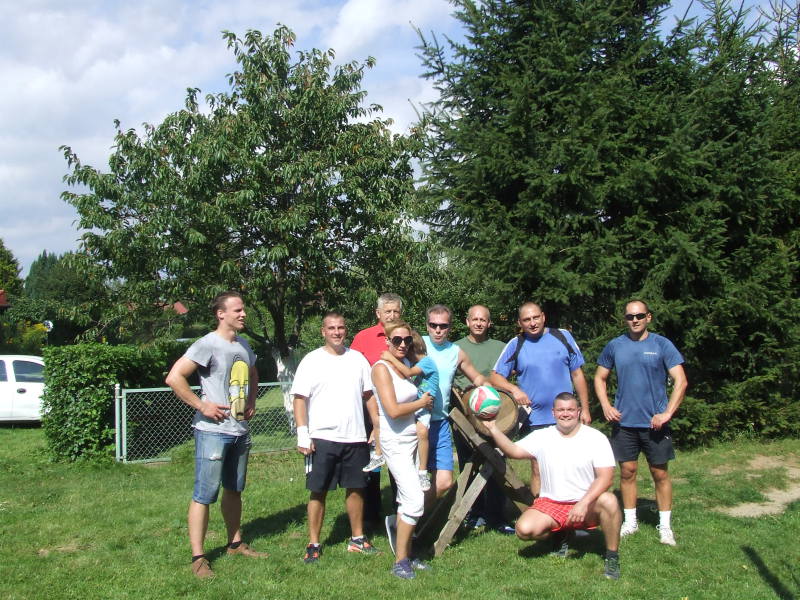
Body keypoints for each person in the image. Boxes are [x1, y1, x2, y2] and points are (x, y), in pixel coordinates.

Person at [165, 291, 268, 579]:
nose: (243, 314)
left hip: (239, 432)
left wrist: (251, 400)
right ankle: (198, 558)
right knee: (204, 494)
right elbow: (174, 377)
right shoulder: (207, 344)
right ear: (221, 314)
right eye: (237, 310)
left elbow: (253, 373)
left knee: (234, 489)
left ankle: (235, 543)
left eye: (243, 309)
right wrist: (202, 406)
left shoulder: (243, 344)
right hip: (212, 432)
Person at [484, 393, 622, 580]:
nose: (566, 414)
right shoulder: (543, 436)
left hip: (587, 504)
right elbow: (513, 450)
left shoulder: (595, 438)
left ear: (578, 411)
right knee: (524, 529)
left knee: (610, 500)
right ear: (553, 412)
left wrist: (583, 503)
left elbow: (606, 478)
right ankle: (561, 535)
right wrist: (493, 429)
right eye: (561, 410)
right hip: (552, 503)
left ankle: (612, 556)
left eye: (570, 409)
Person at [594, 300, 688, 547]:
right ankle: (630, 522)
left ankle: (665, 527)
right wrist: (606, 406)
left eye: (639, 316)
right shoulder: (615, 345)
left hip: (654, 424)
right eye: (630, 316)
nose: (634, 320)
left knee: (660, 473)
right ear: (625, 319)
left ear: (648, 317)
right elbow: (600, 377)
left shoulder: (662, 344)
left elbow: (681, 381)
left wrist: (667, 413)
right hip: (624, 423)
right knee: (627, 472)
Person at [290, 312, 381, 564]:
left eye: (341, 327)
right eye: (331, 328)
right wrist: (302, 433)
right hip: (322, 438)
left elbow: (369, 395)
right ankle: (314, 544)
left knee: (357, 488)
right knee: (318, 491)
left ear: (345, 330)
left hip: (355, 437)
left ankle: (357, 539)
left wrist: (376, 426)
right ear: (323, 331)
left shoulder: (358, 359)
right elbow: (299, 399)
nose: (337, 332)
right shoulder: (311, 360)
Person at [490, 302, 590, 496]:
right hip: (535, 418)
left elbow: (577, 374)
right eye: (527, 320)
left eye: (536, 317)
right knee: (538, 468)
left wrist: (584, 409)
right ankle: (540, 509)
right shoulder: (516, 344)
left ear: (543, 317)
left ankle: (572, 508)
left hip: (566, 416)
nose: (533, 323)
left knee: (570, 466)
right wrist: (514, 389)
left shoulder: (563, 336)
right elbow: (495, 377)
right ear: (520, 323)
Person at [371, 321, 434, 579]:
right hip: (394, 442)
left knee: (410, 498)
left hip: (412, 439)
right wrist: (422, 403)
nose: (403, 344)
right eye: (397, 340)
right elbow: (393, 410)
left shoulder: (405, 364)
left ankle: (406, 554)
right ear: (387, 341)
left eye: (407, 340)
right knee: (414, 500)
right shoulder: (381, 369)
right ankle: (399, 562)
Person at [452, 305, 514, 534]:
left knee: (497, 463)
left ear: (489, 323)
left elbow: (507, 376)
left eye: (483, 320)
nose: (479, 323)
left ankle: (497, 515)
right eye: (475, 319)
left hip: (497, 415)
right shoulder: (455, 348)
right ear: (467, 322)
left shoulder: (501, 347)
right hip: (464, 415)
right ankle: (473, 513)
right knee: (468, 464)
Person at [423, 304, 489, 499]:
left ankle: (412, 514)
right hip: (415, 421)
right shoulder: (417, 344)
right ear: (427, 326)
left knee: (444, 482)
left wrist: (494, 391)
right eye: (433, 325)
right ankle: (409, 516)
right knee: (413, 480)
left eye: (443, 326)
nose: (438, 330)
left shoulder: (456, 351)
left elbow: (477, 377)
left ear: (450, 327)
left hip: (440, 422)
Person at [351, 293, 404, 523]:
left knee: (399, 461)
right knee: (372, 461)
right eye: (387, 311)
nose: (391, 315)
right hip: (369, 408)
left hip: (398, 408)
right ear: (378, 313)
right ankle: (371, 515)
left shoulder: (406, 336)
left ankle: (401, 511)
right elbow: (353, 371)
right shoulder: (363, 338)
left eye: (395, 311)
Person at [378, 330, 437, 492]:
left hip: (425, 403)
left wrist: (390, 358)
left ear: (414, 349)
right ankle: (378, 453)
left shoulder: (426, 362)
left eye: (408, 350)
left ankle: (423, 471)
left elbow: (409, 373)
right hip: (417, 404)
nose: (405, 353)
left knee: (422, 432)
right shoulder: (413, 363)